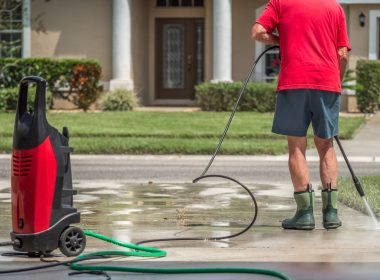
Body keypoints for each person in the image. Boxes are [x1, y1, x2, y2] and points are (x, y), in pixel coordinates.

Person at [251, 0, 351, 230]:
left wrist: (279, 40)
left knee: (296, 146)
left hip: (293, 82)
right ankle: (331, 213)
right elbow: (342, 54)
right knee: (326, 146)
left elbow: (257, 32)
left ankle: (305, 214)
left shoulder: (280, 2)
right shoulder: (334, 7)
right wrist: (337, 81)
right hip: (327, 83)